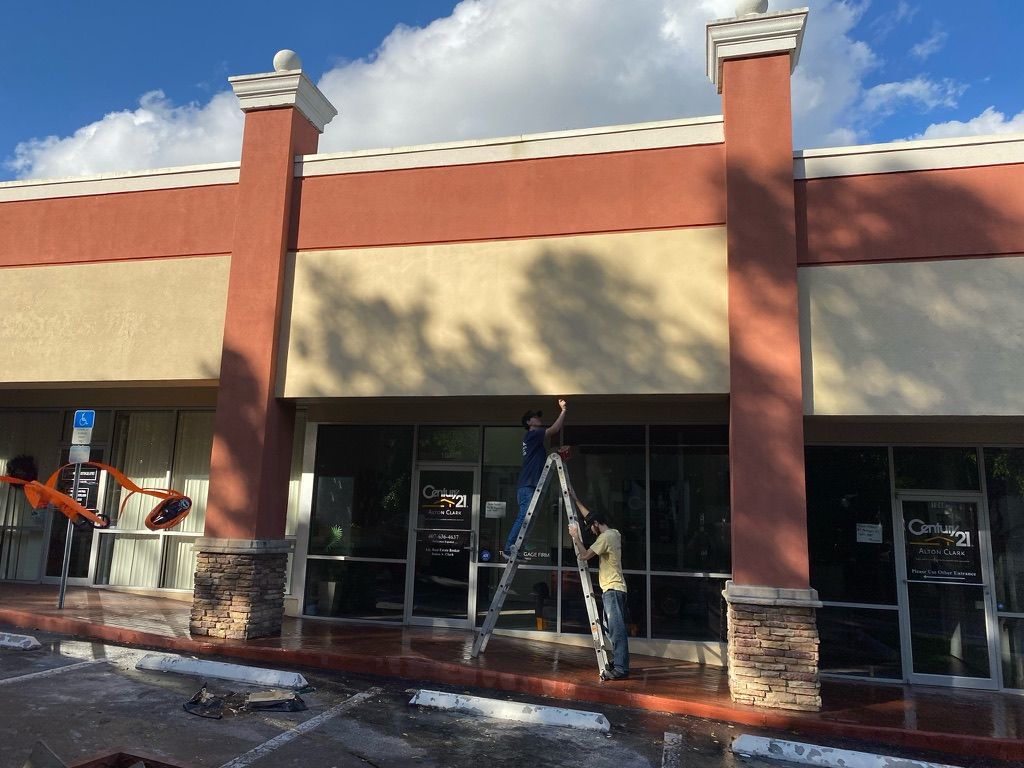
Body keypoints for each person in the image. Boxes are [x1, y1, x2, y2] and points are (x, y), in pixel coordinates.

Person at [567, 494, 629, 680]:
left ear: (596, 524)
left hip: (613, 589)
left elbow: (585, 555)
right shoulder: (614, 533)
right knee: (610, 629)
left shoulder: (605, 537)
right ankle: (619, 662)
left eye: (591, 527)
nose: (592, 531)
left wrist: (575, 537)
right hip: (615, 589)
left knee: (616, 630)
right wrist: (576, 499)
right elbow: (592, 516)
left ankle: (621, 668)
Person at [502, 398, 567, 558]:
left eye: (538, 416)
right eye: (535, 417)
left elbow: (541, 454)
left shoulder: (533, 439)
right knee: (524, 517)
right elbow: (555, 429)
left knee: (529, 519)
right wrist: (564, 411)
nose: (539, 419)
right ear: (529, 422)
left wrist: (559, 450)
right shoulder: (533, 434)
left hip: (528, 485)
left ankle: (518, 549)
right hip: (527, 486)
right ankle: (509, 549)